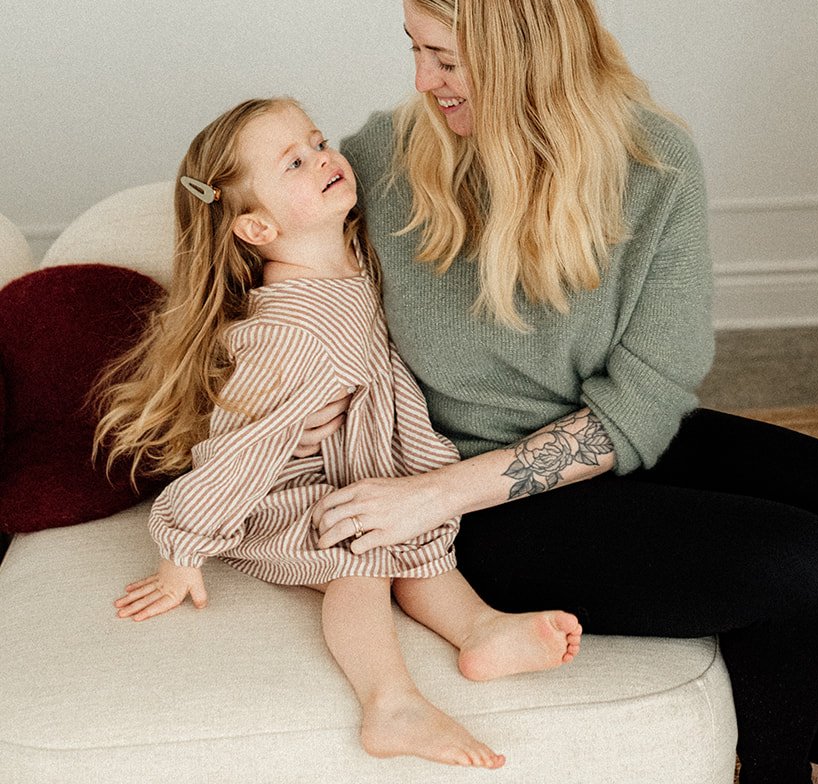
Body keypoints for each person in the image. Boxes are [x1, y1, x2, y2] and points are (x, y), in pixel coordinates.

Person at [303, 0, 818, 784]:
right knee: (800, 569)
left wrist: (439, 491)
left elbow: (650, 394)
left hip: (599, 444)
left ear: (523, 58)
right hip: (471, 508)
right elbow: (261, 267)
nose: (424, 81)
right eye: (415, 49)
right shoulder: (384, 160)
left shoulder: (654, 162)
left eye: (447, 59)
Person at [95, 97, 582, 770]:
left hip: (349, 470)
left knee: (407, 530)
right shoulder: (290, 333)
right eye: (294, 161)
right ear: (257, 226)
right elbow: (241, 455)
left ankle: (480, 629)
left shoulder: (351, 256)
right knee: (359, 556)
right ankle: (390, 704)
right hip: (278, 496)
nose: (323, 156)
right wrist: (183, 549)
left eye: (317, 140)